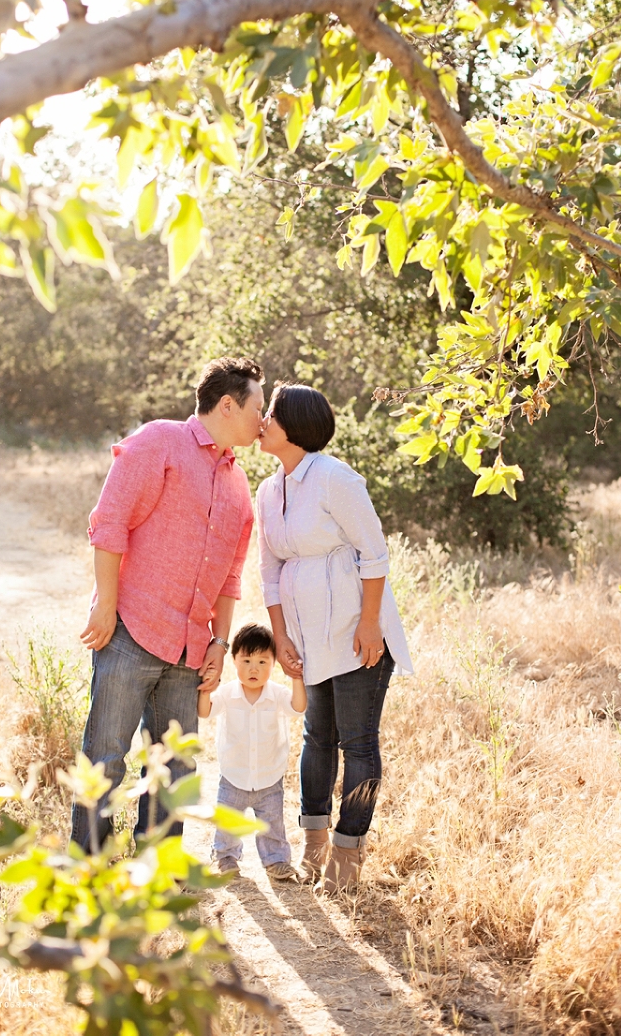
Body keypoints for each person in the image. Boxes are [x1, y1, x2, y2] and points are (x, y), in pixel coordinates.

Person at [71, 356, 265, 853]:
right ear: (227, 405)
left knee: (175, 767)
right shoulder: (159, 441)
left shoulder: (239, 487)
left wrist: (220, 642)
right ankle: (90, 869)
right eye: (256, 408)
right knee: (105, 759)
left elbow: (230, 577)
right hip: (131, 633)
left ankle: (156, 871)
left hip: (189, 651)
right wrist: (105, 604)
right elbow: (109, 521)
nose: (262, 421)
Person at [255, 382, 413, 893]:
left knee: (358, 742)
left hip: (354, 634)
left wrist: (371, 624)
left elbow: (375, 553)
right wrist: (280, 637)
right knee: (316, 739)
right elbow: (270, 571)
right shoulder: (268, 490)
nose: (262, 422)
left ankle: (348, 858)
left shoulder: (334, 478)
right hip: (304, 635)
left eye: (271, 414)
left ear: (295, 426)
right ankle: (313, 848)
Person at [198, 622, 306, 880]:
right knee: (227, 822)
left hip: (269, 776)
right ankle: (225, 857)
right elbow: (205, 712)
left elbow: (298, 708)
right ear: (233, 660)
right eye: (246, 661)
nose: (253, 669)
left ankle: (276, 861)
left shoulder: (277, 694)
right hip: (234, 775)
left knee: (272, 824)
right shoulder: (227, 694)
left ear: (273, 663)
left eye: (262, 661)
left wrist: (297, 678)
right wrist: (206, 690)